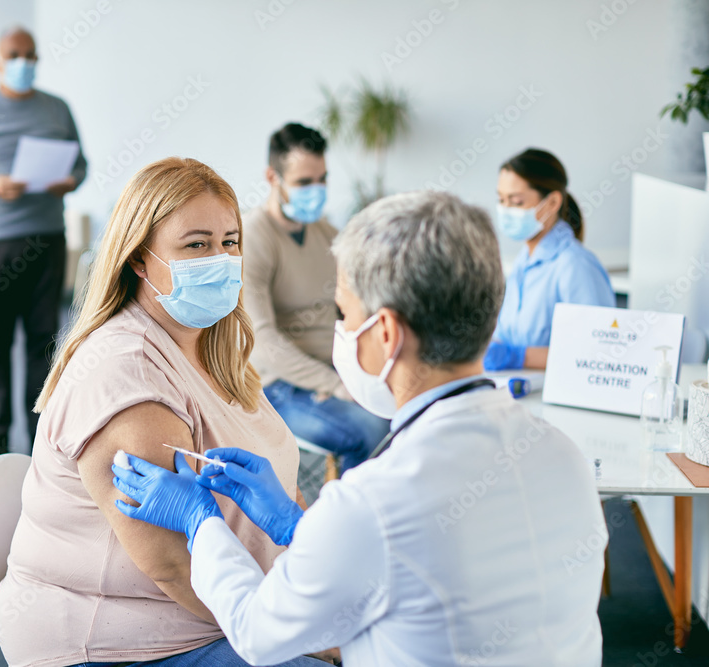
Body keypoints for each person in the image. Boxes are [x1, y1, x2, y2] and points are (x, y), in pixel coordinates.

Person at [113, 191, 606, 666]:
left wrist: (202, 524)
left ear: (387, 334)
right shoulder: (563, 454)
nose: (342, 332)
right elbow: (414, 572)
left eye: (344, 313)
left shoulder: (374, 502)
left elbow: (257, 632)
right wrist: (295, 526)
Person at [0, 157, 328, 667]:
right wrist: (301, 632)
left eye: (230, 242)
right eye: (196, 245)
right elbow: (173, 565)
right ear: (140, 261)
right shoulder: (126, 373)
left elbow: (285, 483)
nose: (220, 258)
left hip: (223, 609)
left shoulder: (215, 347)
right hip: (119, 643)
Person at [0, 24, 87, 458]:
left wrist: (69, 181)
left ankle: (40, 429)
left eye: (31, 55)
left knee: (44, 337)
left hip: (47, 237)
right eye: (14, 55)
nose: (24, 63)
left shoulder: (58, 109)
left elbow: (81, 165)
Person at [243, 122, 388, 472]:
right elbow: (264, 342)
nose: (317, 190)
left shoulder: (329, 235)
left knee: (406, 414)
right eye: (304, 182)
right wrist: (335, 385)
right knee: (369, 430)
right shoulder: (250, 238)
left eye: (322, 179)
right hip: (277, 386)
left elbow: (360, 311)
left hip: (335, 370)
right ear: (272, 177)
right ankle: (343, 523)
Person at [486, 148, 614, 371]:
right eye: (501, 200)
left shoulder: (575, 265)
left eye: (516, 202)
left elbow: (597, 352)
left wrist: (518, 357)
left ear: (553, 202)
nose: (506, 210)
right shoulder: (523, 261)